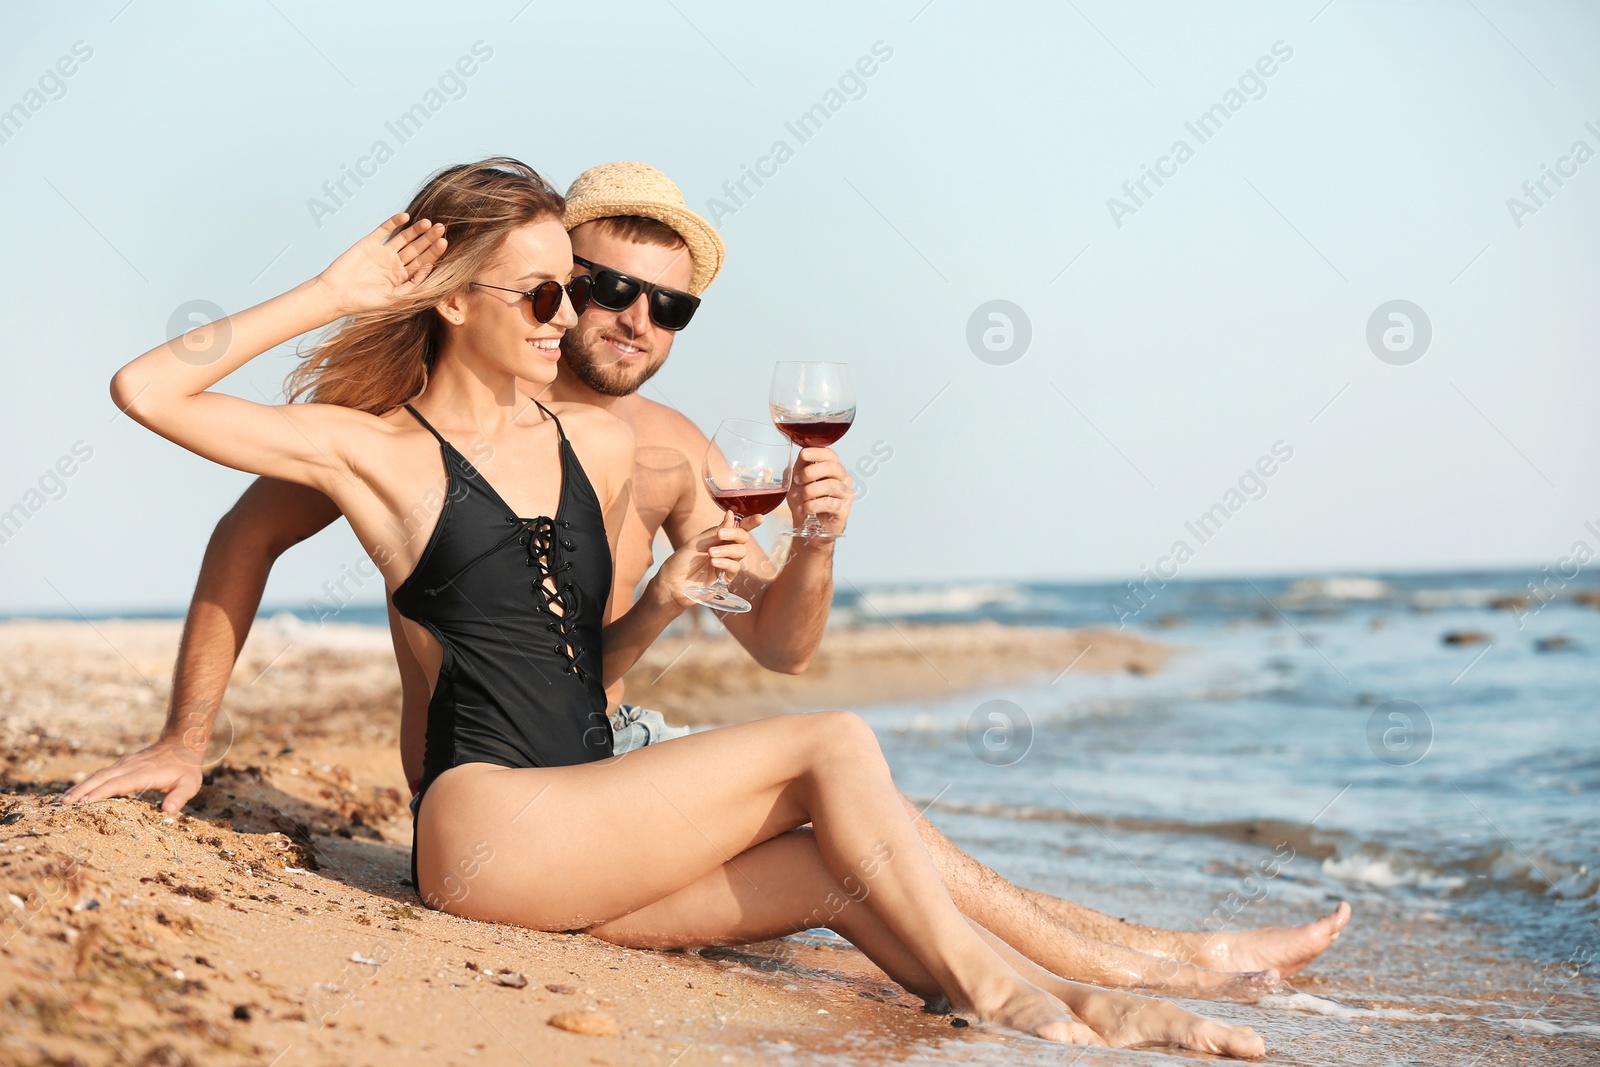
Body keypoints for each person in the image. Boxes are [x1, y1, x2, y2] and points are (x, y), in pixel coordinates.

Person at [64, 160, 1349, 1000]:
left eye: (648, 306)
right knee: (838, 753)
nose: (604, 319)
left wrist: (788, 554)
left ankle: (1139, 978)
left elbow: (756, 642)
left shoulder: (639, 446)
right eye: (580, 288)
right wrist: (188, 735)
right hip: (494, 806)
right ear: (469, 293)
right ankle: (1059, 1001)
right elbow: (178, 439)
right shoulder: (392, 443)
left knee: (857, 868)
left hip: (600, 764)